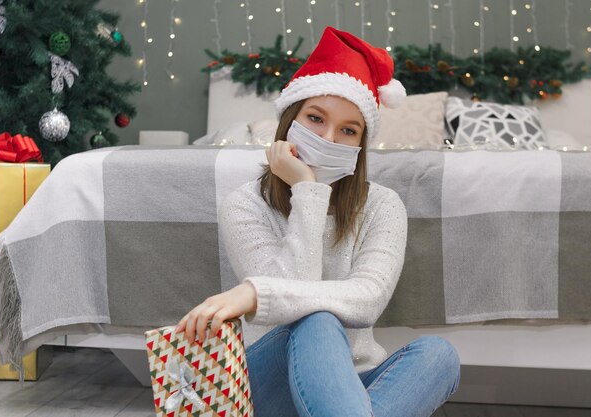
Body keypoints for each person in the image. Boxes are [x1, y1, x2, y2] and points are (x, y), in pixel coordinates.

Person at [175, 26, 461, 417]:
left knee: (439, 355)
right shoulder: (244, 205)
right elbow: (296, 301)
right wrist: (306, 190)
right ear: (289, 121)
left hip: (354, 383)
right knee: (317, 320)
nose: (328, 138)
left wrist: (255, 294)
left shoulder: (382, 205)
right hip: (267, 382)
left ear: (360, 145)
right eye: (315, 118)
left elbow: (369, 301)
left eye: (348, 130)